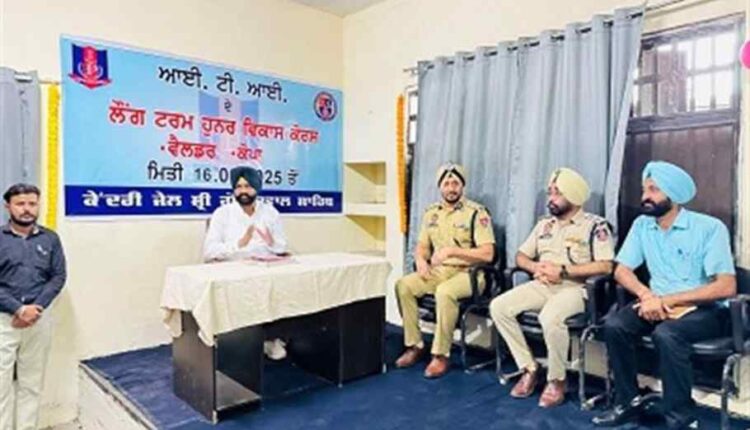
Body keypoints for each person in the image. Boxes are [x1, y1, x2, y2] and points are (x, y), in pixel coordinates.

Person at [593, 161, 736, 430]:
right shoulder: (642, 225)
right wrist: (646, 295)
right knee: (615, 326)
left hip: (704, 309)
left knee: (667, 334)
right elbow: (621, 270)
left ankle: (680, 418)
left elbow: (726, 287)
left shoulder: (709, 228)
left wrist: (668, 301)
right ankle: (628, 403)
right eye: (644, 189)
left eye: (654, 190)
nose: (645, 197)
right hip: (655, 301)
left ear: (674, 195)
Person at [490, 168, 614, 407]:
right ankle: (529, 367)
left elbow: (606, 265)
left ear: (573, 195)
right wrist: (534, 266)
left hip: (575, 289)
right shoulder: (544, 225)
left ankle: (557, 379)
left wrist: (564, 271)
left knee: (550, 317)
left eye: (558, 193)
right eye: (550, 192)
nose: (551, 199)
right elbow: (521, 256)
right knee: (499, 306)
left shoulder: (595, 226)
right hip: (543, 284)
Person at [394, 163, 495, 378]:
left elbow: (488, 254)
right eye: (447, 184)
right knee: (404, 285)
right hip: (440, 271)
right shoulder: (431, 213)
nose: (451, 188)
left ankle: (440, 355)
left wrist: (452, 251)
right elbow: (422, 245)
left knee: (445, 292)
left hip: (470, 274)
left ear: (462, 186)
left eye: (455, 183)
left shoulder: (476, 213)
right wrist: (421, 260)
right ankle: (415, 345)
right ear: (440, 187)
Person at [203, 166, 288, 359]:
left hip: (266, 270)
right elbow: (209, 251)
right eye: (239, 186)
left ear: (257, 188)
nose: (243, 191)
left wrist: (271, 242)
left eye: (248, 186)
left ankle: (270, 339)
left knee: (284, 287)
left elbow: (282, 247)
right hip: (234, 273)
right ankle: (236, 344)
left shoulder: (270, 213)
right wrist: (239, 244)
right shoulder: (222, 214)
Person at [0, 183, 67, 430]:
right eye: (20, 204)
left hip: (38, 320)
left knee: (32, 383)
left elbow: (58, 276)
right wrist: (18, 309)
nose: (27, 209)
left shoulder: (50, 239)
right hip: (4, 321)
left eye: (32, 203)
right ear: (8, 206)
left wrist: (35, 307)